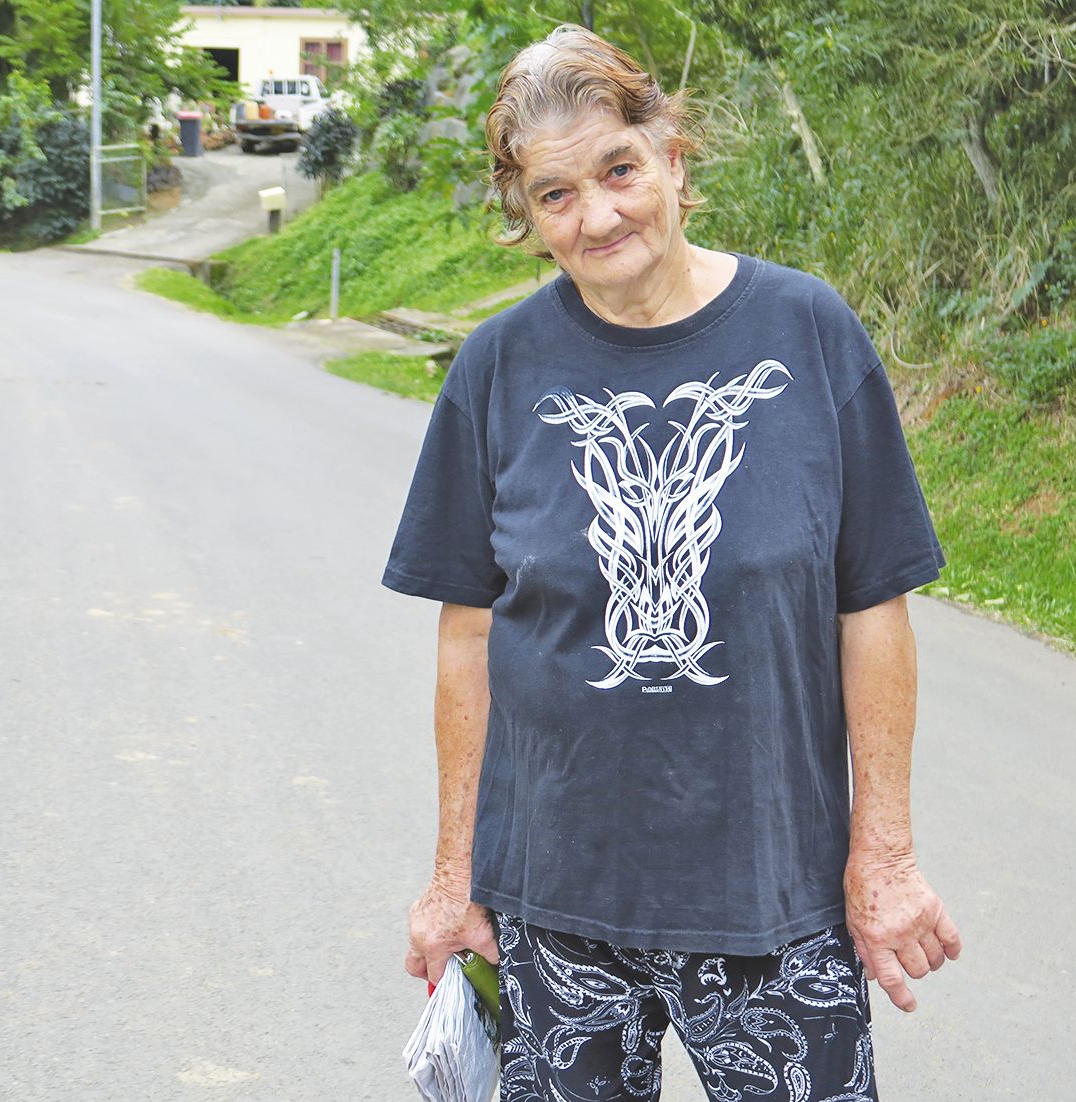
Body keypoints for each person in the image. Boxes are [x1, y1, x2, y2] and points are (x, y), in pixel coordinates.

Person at [381, 24, 962, 1102]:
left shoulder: (809, 333)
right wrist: (451, 876)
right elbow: (468, 635)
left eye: (618, 170)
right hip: (553, 910)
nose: (598, 215)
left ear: (673, 161)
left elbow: (872, 608)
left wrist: (883, 859)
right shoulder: (496, 370)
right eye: (555, 195)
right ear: (528, 215)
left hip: (772, 894)